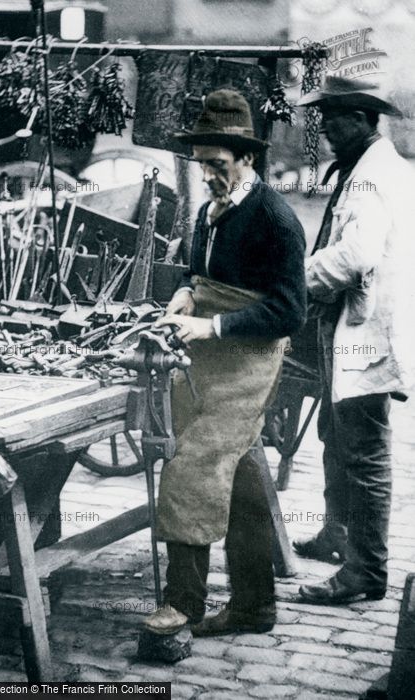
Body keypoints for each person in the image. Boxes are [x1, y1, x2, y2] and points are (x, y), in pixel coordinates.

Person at [142, 89, 307, 637]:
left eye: (218, 166)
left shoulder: (276, 220)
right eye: (202, 165)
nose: (208, 176)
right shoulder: (212, 211)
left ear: (247, 160)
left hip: (250, 359)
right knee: (240, 475)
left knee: (192, 464)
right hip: (209, 354)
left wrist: (211, 325)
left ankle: (182, 603)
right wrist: (188, 291)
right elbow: (200, 270)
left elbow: (289, 311)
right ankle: (255, 605)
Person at [294, 77, 415, 603]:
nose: (324, 129)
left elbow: (356, 254)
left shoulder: (374, 175)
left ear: (363, 120)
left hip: (365, 333)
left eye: (333, 119)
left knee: (362, 450)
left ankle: (365, 571)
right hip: (351, 324)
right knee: (333, 433)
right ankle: (335, 535)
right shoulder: (370, 165)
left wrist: (293, 280)